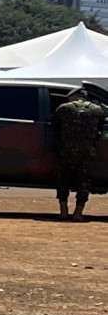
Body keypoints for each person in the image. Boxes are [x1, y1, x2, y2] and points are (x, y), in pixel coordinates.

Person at [53, 86, 105, 219]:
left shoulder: (63, 108)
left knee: (63, 179)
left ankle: (63, 212)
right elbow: (100, 130)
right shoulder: (97, 110)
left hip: (66, 150)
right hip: (86, 152)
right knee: (83, 181)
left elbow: (55, 129)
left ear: (73, 97)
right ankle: (78, 213)